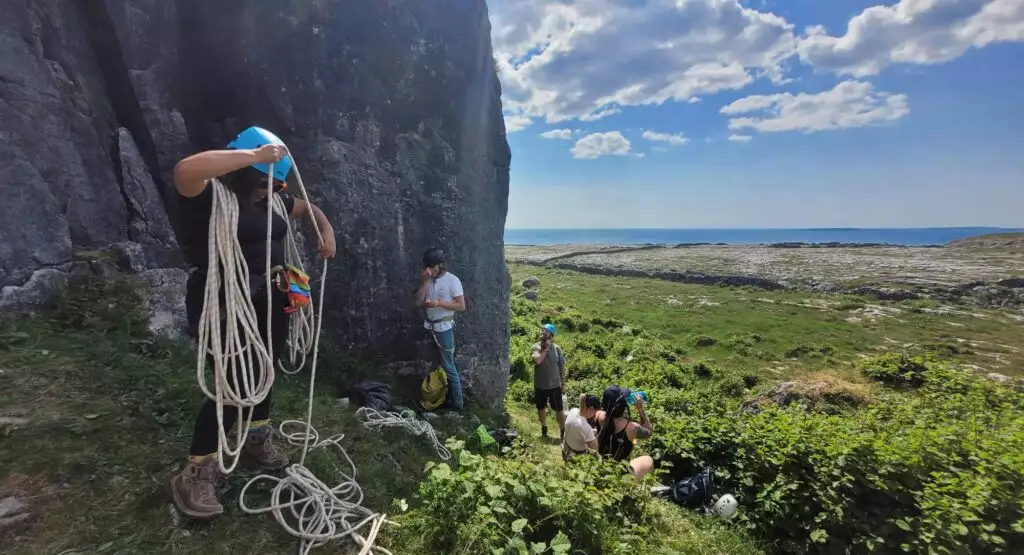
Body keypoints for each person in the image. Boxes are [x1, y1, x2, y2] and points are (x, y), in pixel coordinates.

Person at [169, 126, 337, 519]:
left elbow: (310, 209)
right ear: (245, 169)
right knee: (230, 385)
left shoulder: (273, 201)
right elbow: (184, 172)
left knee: (265, 372)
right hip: (226, 302)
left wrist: (326, 231)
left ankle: (256, 437)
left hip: (271, 298)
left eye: (276, 187)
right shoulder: (212, 195)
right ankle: (198, 469)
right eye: (264, 183)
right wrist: (254, 156)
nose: (270, 191)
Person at [414, 247, 466, 411]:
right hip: (429, 326)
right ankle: (438, 397)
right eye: (426, 267)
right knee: (434, 365)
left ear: (440, 265)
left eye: (431, 267)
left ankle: (458, 405)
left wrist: (440, 303)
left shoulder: (452, 280)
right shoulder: (427, 279)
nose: (428, 270)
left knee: (449, 366)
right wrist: (423, 283)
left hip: (444, 328)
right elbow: (417, 303)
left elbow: (461, 306)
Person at [596, 389, 655, 482]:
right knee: (648, 460)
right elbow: (649, 432)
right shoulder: (631, 428)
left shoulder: (599, 416)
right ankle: (637, 488)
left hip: (602, 469)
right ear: (623, 405)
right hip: (622, 474)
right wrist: (640, 409)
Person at [532, 323, 566, 438]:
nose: (543, 332)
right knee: (541, 408)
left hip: (555, 385)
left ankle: (562, 431)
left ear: (551, 335)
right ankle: (544, 427)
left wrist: (563, 383)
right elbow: (538, 361)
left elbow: (562, 367)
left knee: (559, 409)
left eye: (546, 331)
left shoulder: (557, 349)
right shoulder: (536, 347)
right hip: (540, 385)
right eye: (542, 330)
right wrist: (545, 350)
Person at [562, 393, 601, 461]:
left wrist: (593, 431)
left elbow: (580, 429)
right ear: (591, 409)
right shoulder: (585, 427)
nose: (594, 415)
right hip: (577, 455)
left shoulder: (573, 410)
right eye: (595, 412)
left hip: (567, 448)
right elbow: (594, 446)